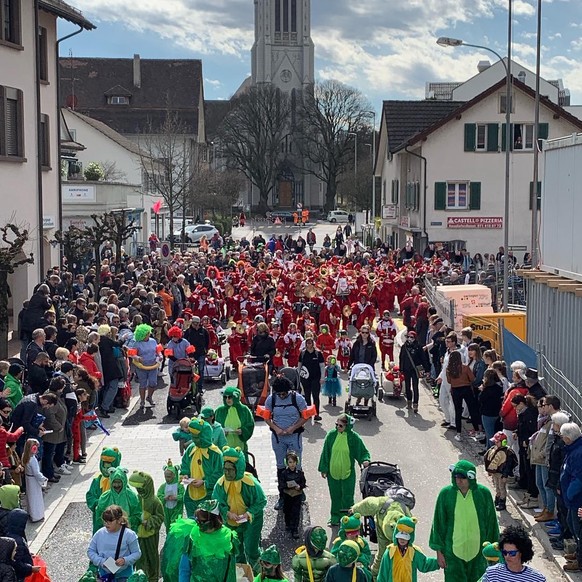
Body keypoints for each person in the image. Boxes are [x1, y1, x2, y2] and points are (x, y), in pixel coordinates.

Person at [429, 460, 499, 582]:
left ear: (471, 477)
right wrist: (439, 552)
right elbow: (438, 524)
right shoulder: (446, 494)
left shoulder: (483, 494)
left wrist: (494, 552)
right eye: (456, 476)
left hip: (479, 555)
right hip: (452, 555)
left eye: (462, 477)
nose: (458, 480)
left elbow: (492, 524)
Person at [212, 446, 267, 573]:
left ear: (238, 468)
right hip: (231, 522)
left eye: (230, 470)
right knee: (236, 549)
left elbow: (261, 501)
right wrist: (227, 513)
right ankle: (241, 573)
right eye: (225, 469)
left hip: (251, 521)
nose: (227, 473)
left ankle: (260, 573)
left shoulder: (250, 483)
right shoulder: (220, 484)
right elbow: (217, 502)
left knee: (251, 549)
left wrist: (249, 513)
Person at [261, 376, 310, 511]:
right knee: (281, 466)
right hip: (278, 438)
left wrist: (292, 428)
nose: (282, 396)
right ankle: (282, 496)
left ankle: (299, 492)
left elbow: (306, 416)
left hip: (294, 436)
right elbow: (266, 417)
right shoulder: (272, 399)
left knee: (296, 465)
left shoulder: (297, 398)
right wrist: (276, 429)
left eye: (284, 393)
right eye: (279, 393)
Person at [318, 414, 370, 526]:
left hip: (348, 473)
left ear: (347, 426)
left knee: (347, 497)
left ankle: (346, 518)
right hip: (333, 473)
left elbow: (362, 452)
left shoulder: (353, 437)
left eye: (340, 425)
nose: (337, 427)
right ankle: (335, 517)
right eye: (336, 425)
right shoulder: (331, 435)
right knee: (335, 496)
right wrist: (324, 468)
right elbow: (325, 453)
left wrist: (365, 460)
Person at [176, 499, 239, 582]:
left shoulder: (228, 537)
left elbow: (231, 571)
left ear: (214, 520)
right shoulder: (194, 536)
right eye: (197, 520)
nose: (199, 525)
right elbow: (184, 568)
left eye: (202, 522)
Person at [179, 419, 223, 518]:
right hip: (191, 495)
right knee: (192, 522)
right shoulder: (191, 448)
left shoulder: (215, 454)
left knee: (208, 522)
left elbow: (219, 475)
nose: (194, 440)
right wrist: (184, 474)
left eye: (197, 437)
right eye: (193, 437)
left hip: (209, 496)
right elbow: (185, 464)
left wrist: (204, 482)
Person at [88, 505, 142, 582]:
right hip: (104, 575)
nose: (107, 524)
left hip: (124, 576)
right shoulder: (99, 533)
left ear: (119, 520)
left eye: (110, 521)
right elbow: (90, 551)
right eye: (105, 521)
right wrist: (101, 561)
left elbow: (137, 553)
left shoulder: (129, 535)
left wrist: (125, 560)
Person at [127, 471, 164, 582]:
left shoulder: (155, 501)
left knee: (152, 557)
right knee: (139, 557)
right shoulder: (135, 499)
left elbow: (160, 516)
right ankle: (140, 576)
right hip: (138, 534)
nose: (139, 490)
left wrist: (149, 522)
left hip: (151, 534)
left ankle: (153, 577)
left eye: (141, 488)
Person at [377, 516, 439, 582]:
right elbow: (383, 573)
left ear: (410, 537)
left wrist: (438, 562)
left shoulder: (413, 552)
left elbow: (424, 564)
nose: (402, 540)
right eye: (400, 537)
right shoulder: (390, 551)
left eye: (405, 538)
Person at [482, 525, 546, 581]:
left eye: (512, 553)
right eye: (504, 552)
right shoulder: (492, 573)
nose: (507, 556)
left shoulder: (537, 579)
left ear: (522, 552)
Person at [559, 422, 582, 572]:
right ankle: (578, 553)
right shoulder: (573, 449)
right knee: (571, 524)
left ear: (568, 438)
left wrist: (568, 493)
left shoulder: (578, 453)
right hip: (572, 500)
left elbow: (578, 478)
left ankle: (580, 561)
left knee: (577, 529)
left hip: (576, 500)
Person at [446, 351, 481, 442]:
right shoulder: (465, 368)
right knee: (472, 409)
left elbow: (449, 381)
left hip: (455, 390)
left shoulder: (449, 369)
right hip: (466, 389)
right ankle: (477, 431)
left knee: (457, 411)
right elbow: (472, 378)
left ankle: (459, 434)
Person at [95, 467, 142, 535]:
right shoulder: (104, 497)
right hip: (109, 533)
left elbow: (137, 515)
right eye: (114, 482)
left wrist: (125, 521)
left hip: (127, 532)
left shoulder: (131, 496)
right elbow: (99, 517)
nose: (117, 485)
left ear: (124, 481)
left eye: (119, 482)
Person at [86, 447, 123, 533]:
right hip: (100, 518)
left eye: (109, 468)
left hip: (115, 519)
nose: (106, 470)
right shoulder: (97, 481)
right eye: (104, 467)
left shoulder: (119, 482)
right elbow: (90, 496)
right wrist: (98, 503)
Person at [513, 394, 539, 508]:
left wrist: (527, 441)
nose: (515, 409)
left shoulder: (529, 414)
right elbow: (520, 427)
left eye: (516, 406)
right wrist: (516, 432)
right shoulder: (522, 414)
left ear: (522, 404)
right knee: (526, 470)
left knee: (530, 471)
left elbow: (532, 430)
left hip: (527, 447)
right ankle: (528, 493)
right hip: (522, 446)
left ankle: (532, 496)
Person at [129, 324, 161, 409]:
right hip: (142, 367)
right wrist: (137, 357)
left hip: (153, 365)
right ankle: (142, 400)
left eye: (148, 333)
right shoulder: (137, 343)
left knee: (153, 383)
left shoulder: (153, 341)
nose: (148, 334)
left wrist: (160, 356)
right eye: (146, 333)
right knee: (143, 384)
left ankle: (149, 397)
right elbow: (132, 354)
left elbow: (158, 351)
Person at [213, 388, 254, 456]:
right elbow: (214, 426)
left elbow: (250, 425)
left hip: (240, 447)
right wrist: (221, 432)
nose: (227, 399)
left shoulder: (244, 410)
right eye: (225, 397)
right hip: (224, 449)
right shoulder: (219, 411)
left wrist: (242, 431)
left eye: (230, 397)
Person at [484, 431, 518, 511]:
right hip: (495, 473)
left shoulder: (507, 452)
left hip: (501, 474)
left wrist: (505, 475)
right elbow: (491, 460)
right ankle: (497, 499)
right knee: (497, 486)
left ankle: (502, 502)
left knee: (502, 488)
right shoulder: (494, 449)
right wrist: (490, 470)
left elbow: (508, 465)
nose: (495, 443)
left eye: (497, 442)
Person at [277, 451, 306, 540]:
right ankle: (288, 525)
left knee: (296, 512)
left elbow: (303, 483)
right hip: (287, 495)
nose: (292, 464)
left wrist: (299, 486)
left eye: (293, 462)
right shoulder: (284, 473)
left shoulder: (300, 473)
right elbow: (281, 485)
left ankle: (295, 529)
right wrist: (287, 486)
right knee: (287, 511)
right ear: (287, 463)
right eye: (290, 462)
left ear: (296, 462)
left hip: (297, 495)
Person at [398, 331, 428, 413]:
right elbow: (401, 358)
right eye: (408, 337)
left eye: (412, 337)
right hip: (406, 370)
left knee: (415, 387)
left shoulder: (418, 347)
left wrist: (427, 369)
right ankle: (409, 402)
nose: (409, 339)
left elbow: (423, 359)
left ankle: (415, 404)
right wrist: (401, 369)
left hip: (415, 370)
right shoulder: (404, 347)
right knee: (407, 387)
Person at [6, 509, 40, 582]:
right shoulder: (18, 541)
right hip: (21, 576)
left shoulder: (9, 534)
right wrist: (31, 569)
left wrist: (27, 552)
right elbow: (16, 563)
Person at [477, 369, 503, 453]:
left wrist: (482, 390)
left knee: (490, 434)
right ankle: (487, 449)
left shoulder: (487, 389)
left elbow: (480, 399)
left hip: (487, 414)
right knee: (491, 433)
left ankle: (492, 451)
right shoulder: (499, 388)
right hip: (496, 413)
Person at [298, 338, 325, 420]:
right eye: (307, 343)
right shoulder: (302, 353)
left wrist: (322, 377)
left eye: (310, 343)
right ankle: (309, 413)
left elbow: (322, 366)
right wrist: (299, 377)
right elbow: (299, 365)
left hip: (316, 378)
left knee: (316, 396)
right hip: (305, 378)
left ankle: (316, 414)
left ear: (313, 344)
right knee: (307, 396)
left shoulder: (318, 353)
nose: (309, 345)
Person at [22, 439, 47, 523]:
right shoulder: (33, 459)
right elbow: (36, 473)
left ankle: (31, 513)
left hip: (28, 478)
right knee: (36, 498)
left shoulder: (25, 456)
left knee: (30, 497)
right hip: (33, 480)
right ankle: (37, 516)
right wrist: (44, 478)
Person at [157, 459, 184, 532]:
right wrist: (164, 498)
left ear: (174, 476)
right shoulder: (163, 486)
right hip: (166, 510)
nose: (167, 479)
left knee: (175, 525)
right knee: (168, 525)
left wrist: (176, 497)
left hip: (176, 509)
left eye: (169, 477)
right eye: (165, 477)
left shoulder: (179, 486)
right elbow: (158, 496)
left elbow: (183, 496)